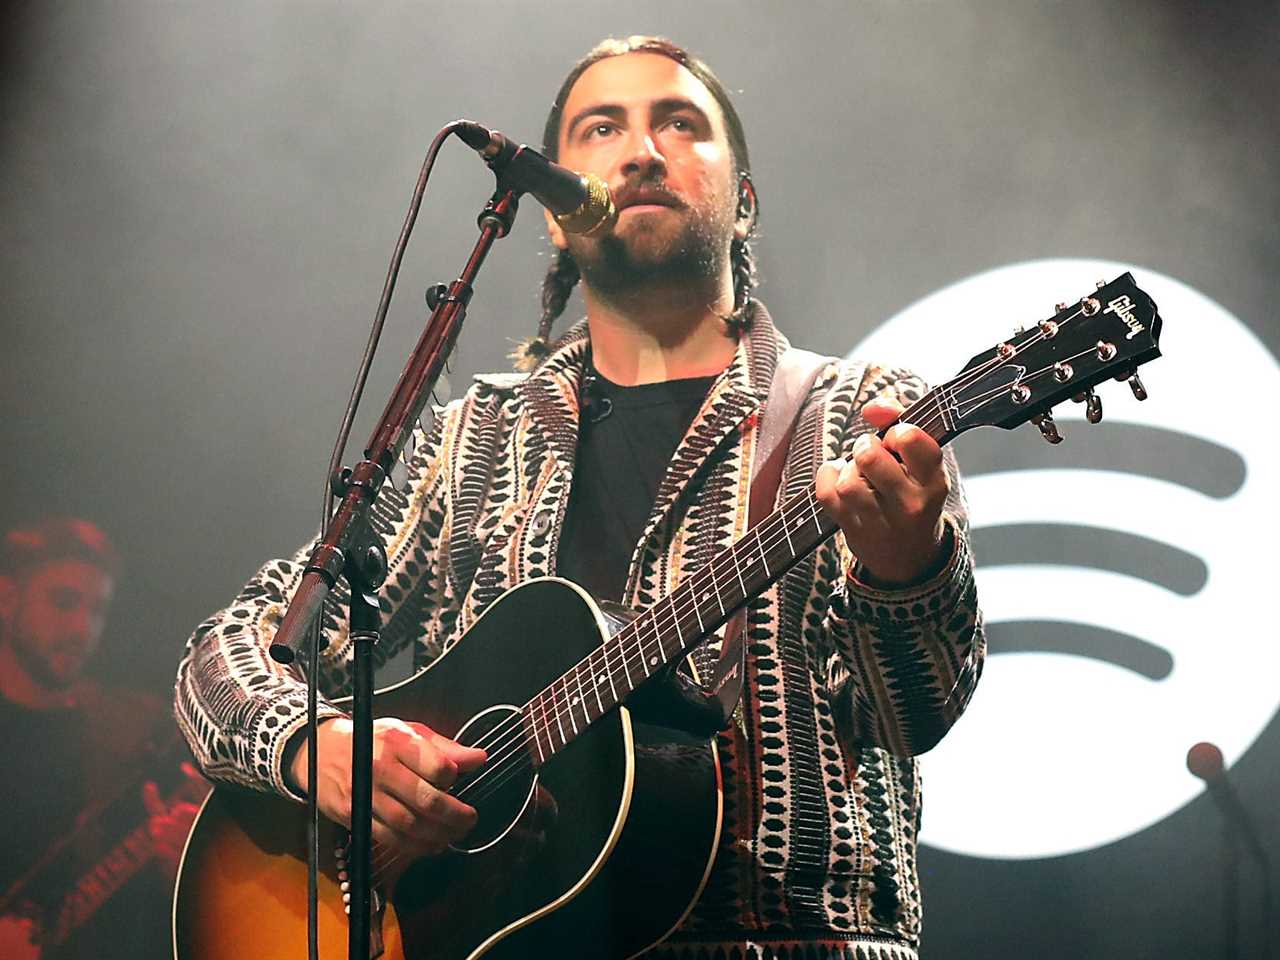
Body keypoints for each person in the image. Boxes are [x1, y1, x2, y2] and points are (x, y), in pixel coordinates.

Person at [174, 36, 985, 959]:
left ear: (744, 202)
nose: (642, 150)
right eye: (603, 128)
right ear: (554, 215)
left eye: (681, 124)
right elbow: (230, 646)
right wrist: (307, 746)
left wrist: (906, 573)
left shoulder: (858, 414)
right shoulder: (472, 436)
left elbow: (916, 714)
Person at [0, 517, 204, 960]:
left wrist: (192, 863)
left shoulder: (135, 731)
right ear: (7, 597)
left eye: (96, 611)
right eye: (63, 602)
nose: (81, 629)